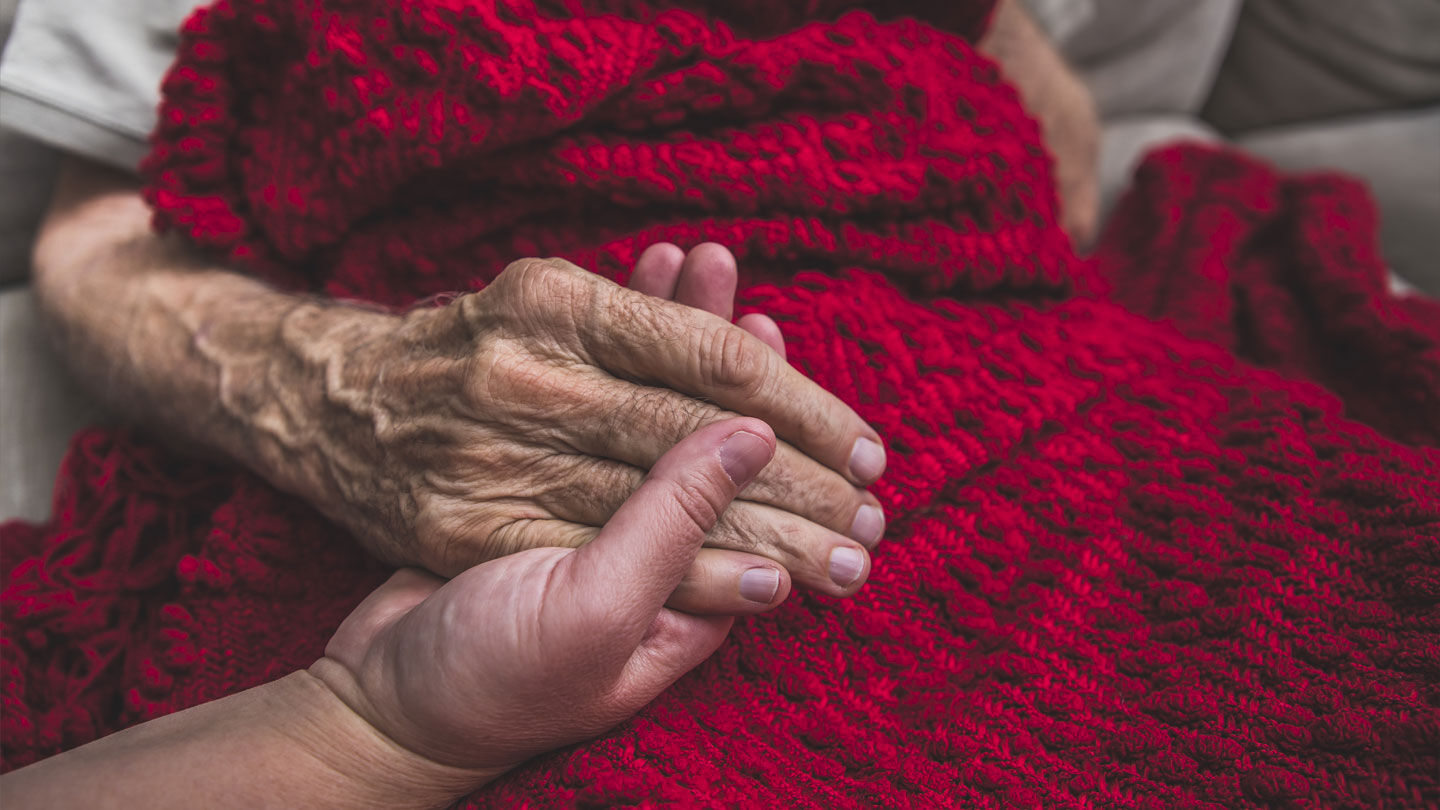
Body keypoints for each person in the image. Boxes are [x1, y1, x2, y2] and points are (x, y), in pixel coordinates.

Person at [3, 0, 1437, 807]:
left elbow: (1027, 142)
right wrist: (342, 387)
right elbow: (96, 244)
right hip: (492, 317)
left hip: (984, 330)